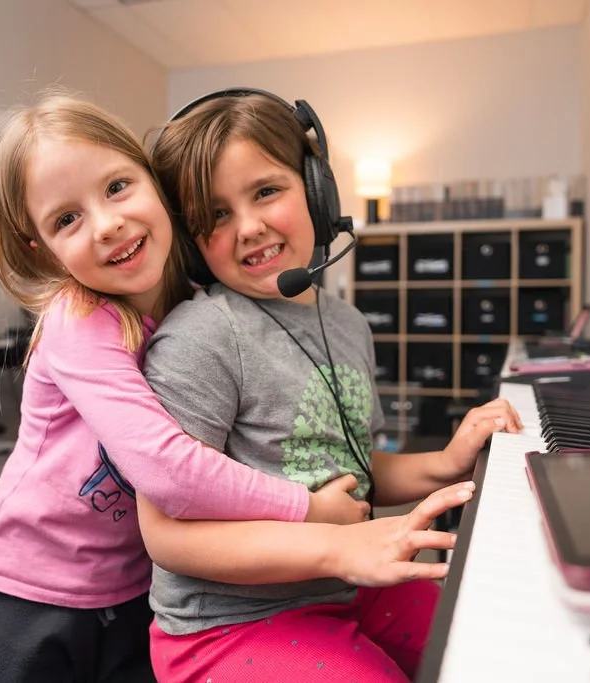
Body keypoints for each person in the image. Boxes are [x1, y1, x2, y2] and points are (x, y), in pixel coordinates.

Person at [0, 90, 465, 683]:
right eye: (66, 219)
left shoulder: (188, 305)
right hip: (38, 583)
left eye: (118, 187)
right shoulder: (84, 319)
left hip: (128, 579)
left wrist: (443, 464)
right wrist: (311, 513)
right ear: (41, 247)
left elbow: (335, 457)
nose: (107, 224)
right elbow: (168, 470)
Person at [143, 88, 522, 682]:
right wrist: (342, 548)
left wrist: (450, 460)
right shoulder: (199, 339)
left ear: (318, 192)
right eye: (216, 215)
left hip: (344, 586)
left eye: (266, 191)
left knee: (485, 650)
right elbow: (167, 538)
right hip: (228, 623)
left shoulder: (345, 322)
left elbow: (355, 466)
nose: (249, 227)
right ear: (191, 243)